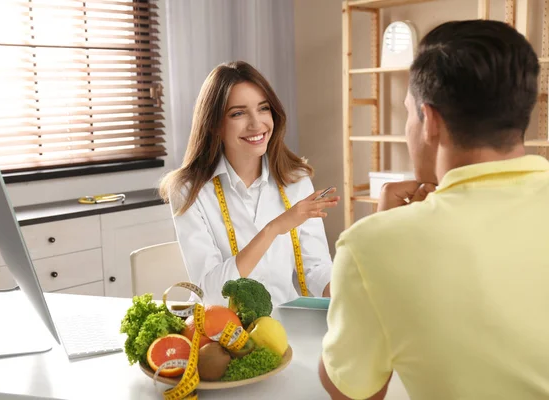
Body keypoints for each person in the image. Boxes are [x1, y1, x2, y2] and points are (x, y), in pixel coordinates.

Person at [319, 20, 549, 400]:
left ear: (432, 122)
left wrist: (381, 238)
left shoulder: (371, 247)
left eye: (409, 112)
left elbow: (353, 391)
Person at [159, 61, 339, 307]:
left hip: (283, 326)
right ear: (214, 125)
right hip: (220, 331)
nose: (257, 124)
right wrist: (274, 228)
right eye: (238, 113)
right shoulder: (189, 190)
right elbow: (211, 293)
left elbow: (315, 267)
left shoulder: (295, 180)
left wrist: (346, 289)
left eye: (263, 109)